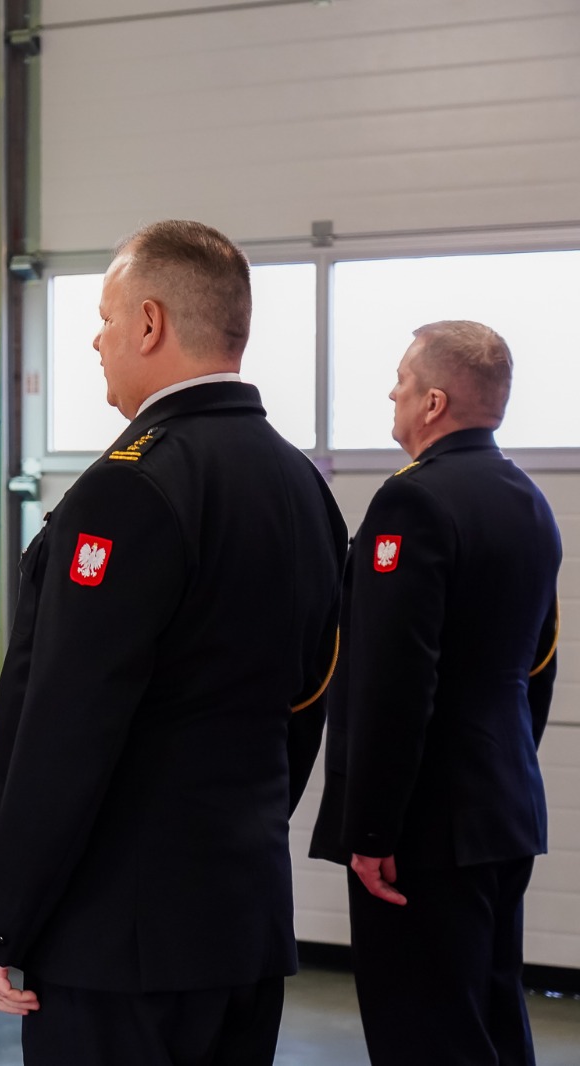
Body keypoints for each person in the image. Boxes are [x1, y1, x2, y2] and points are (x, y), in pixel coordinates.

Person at [0, 219, 346, 1065]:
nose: (96, 341)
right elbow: (309, 698)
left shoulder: (131, 486)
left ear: (149, 323)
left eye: (106, 318)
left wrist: (3, 913)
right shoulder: (301, 484)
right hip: (242, 919)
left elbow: (66, 725)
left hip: (118, 940)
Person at [310, 320, 560, 1066]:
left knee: (424, 1034)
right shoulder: (528, 501)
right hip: (502, 807)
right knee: (491, 1019)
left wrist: (372, 829)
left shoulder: (411, 503)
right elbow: (540, 665)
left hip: (425, 828)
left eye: (402, 381)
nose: (392, 393)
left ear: (434, 402)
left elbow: (394, 680)